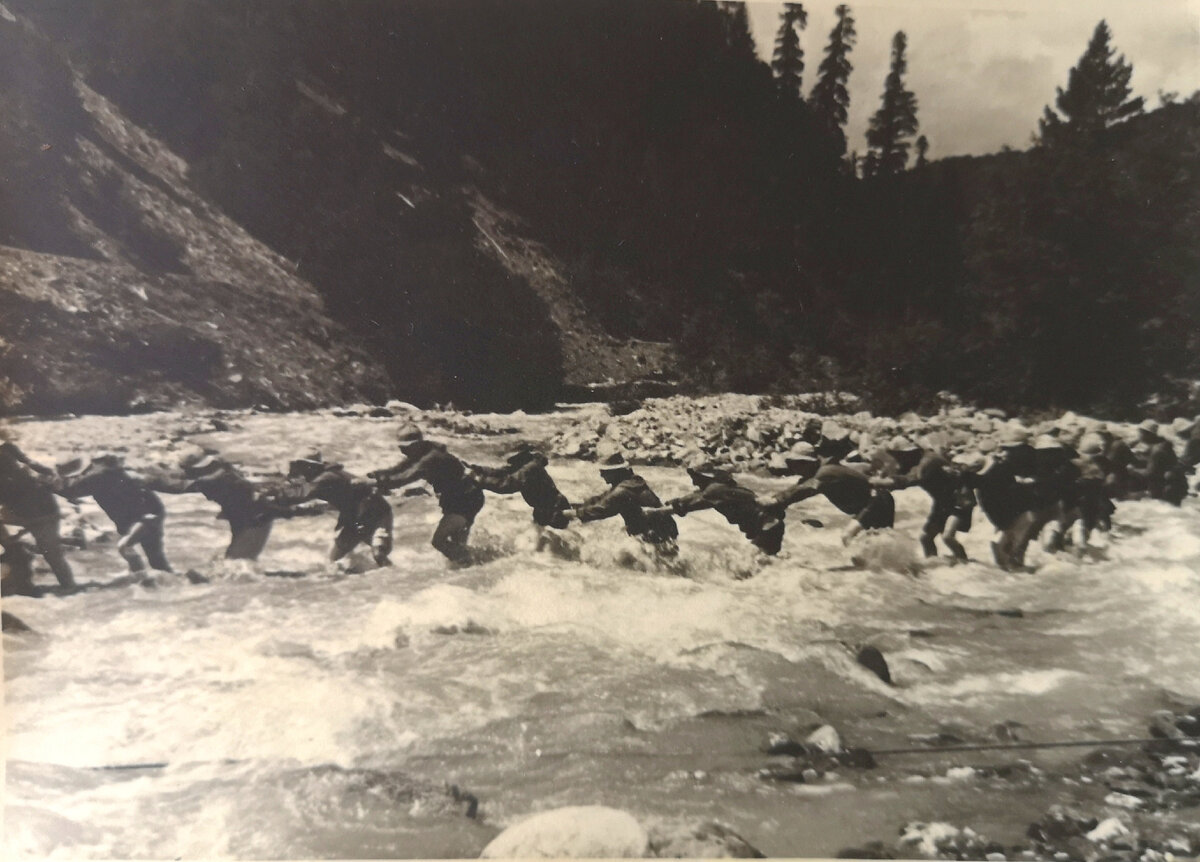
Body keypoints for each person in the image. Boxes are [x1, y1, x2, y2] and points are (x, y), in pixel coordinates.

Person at [370, 426, 484, 564]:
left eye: (405, 447)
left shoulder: (431, 458)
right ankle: (474, 566)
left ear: (417, 444)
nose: (402, 450)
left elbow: (404, 478)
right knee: (457, 544)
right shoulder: (422, 452)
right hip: (461, 498)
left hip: (466, 500)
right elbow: (398, 469)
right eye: (401, 447)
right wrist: (374, 475)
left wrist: (374, 482)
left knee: (439, 541)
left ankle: (474, 564)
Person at [57, 454, 173, 574]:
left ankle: (141, 578)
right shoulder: (121, 474)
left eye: (93, 465)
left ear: (99, 465)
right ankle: (173, 579)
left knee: (125, 547)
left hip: (144, 520)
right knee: (157, 562)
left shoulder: (99, 478)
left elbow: (69, 491)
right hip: (151, 517)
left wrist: (48, 481)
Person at [154, 453, 281, 560]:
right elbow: (178, 486)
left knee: (237, 563)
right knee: (236, 563)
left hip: (255, 519)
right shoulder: (213, 477)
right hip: (246, 515)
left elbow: (178, 486)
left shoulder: (220, 479)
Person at [871, 438, 975, 561]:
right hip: (944, 502)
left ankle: (965, 563)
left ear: (909, 454)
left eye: (898, 455)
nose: (897, 459)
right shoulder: (925, 457)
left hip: (960, 501)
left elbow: (908, 480)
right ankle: (934, 566)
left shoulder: (927, 463)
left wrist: (874, 482)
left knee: (948, 537)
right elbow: (902, 475)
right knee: (926, 538)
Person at [657, 459, 786, 556]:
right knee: (764, 564)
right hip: (770, 526)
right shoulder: (720, 487)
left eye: (695, 478)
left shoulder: (715, 491)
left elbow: (693, 505)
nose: (694, 483)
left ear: (705, 477)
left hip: (767, 527)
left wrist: (658, 512)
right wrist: (671, 503)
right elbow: (692, 497)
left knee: (753, 567)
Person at [287, 451, 393, 566]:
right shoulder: (328, 477)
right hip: (354, 519)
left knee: (378, 554)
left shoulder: (326, 478)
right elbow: (341, 500)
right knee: (334, 561)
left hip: (378, 514)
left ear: (312, 467)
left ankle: (393, 574)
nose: (299, 470)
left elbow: (303, 494)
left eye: (301, 466)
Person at [774, 448, 894, 545]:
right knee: (877, 541)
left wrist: (777, 501)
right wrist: (773, 500)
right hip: (879, 501)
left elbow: (804, 491)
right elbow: (796, 488)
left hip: (877, 501)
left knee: (847, 536)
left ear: (808, 462)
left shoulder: (825, 472)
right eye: (791, 464)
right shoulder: (818, 472)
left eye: (796, 464)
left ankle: (861, 572)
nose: (794, 469)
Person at [569, 452, 679, 554]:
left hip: (654, 534)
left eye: (603, 472)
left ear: (614, 472)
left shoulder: (623, 491)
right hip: (665, 531)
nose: (601, 475)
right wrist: (572, 506)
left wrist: (570, 514)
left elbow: (601, 510)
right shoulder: (632, 482)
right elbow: (600, 499)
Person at [0, 441, 75, 589]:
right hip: (41, 511)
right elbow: (33, 465)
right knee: (52, 554)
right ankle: (68, 585)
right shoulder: (11, 454)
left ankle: (15, 552)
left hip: (40, 515)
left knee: (51, 553)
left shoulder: (9, 475)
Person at [468, 443, 572, 530]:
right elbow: (500, 472)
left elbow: (508, 485)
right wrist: (478, 469)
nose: (511, 463)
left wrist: (480, 480)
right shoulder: (524, 465)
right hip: (543, 509)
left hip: (555, 509)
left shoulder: (530, 468)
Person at [1130, 420, 1188, 506]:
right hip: (1176, 485)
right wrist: (1136, 442)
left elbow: (1150, 473)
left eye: (1140, 434)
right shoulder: (1162, 443)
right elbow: (1146, 456)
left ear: (1148, 435)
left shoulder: (1157, 450)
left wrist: (1133, 470)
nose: (1139, 436)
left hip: (1168, 489)